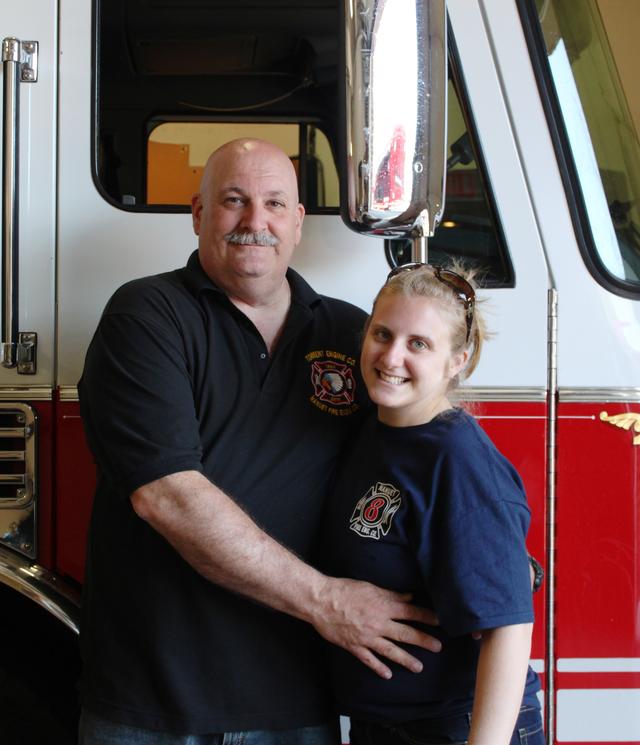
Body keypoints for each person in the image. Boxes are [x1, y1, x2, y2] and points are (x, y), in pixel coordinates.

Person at [77, 139, 441, 745]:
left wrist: (483, 543)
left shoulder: (353, 333)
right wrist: (328, 602)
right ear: (198, 213)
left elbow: (412, 464)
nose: (255, 222)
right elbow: (167, 496)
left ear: (298, 223)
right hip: (153, 706)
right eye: (233, 201)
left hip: (299, 702)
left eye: (275, 203)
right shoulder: (146, 316)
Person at [322, 263, 544, 745]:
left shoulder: (457, 460)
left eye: (418, 344)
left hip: (455, 727)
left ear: (457, 360)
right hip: (384, 727)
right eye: (382, 333)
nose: (391, 356)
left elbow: (508, 627)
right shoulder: (373, 430)